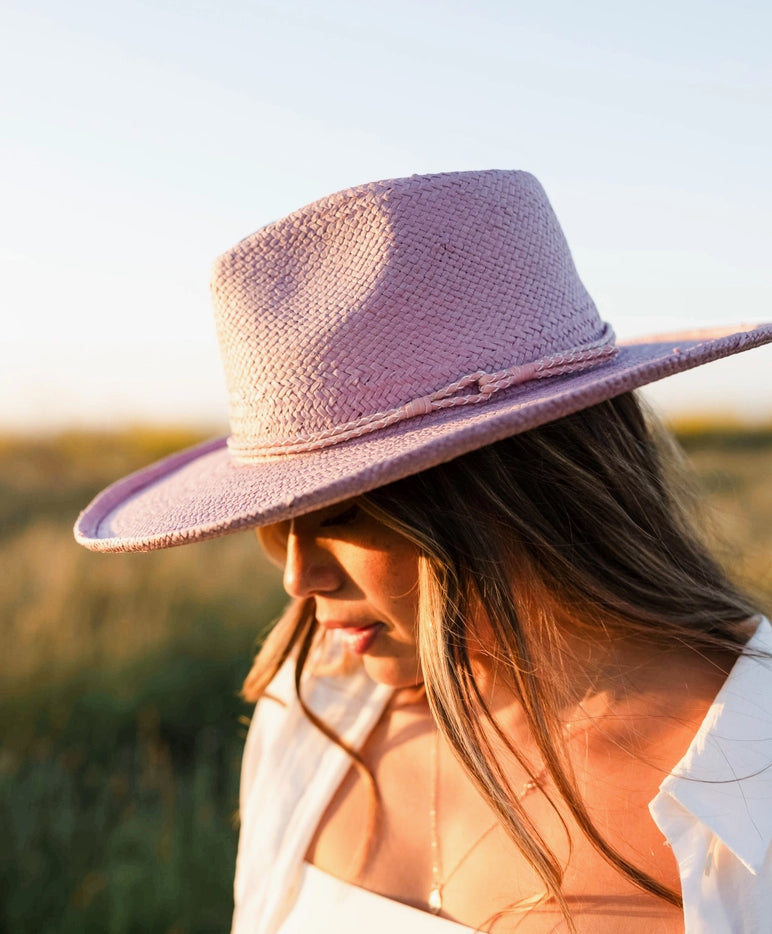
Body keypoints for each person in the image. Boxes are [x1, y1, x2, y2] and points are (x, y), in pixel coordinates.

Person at [75, 170, 772, 933]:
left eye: (341, 513)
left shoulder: (752, 768)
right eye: (275, 521)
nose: (296, 576)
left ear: (517, 488)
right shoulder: (315, 705)